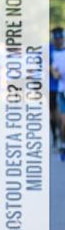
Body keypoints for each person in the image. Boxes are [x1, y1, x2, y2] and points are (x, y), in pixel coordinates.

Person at [50, 28, 65, 161]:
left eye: (60, 38)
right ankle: (58, 138)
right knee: (57, 117)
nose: (58, 40)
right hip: (54, 88)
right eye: (56, 38)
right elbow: (52, 68)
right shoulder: (50, 51)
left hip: (58, 88)